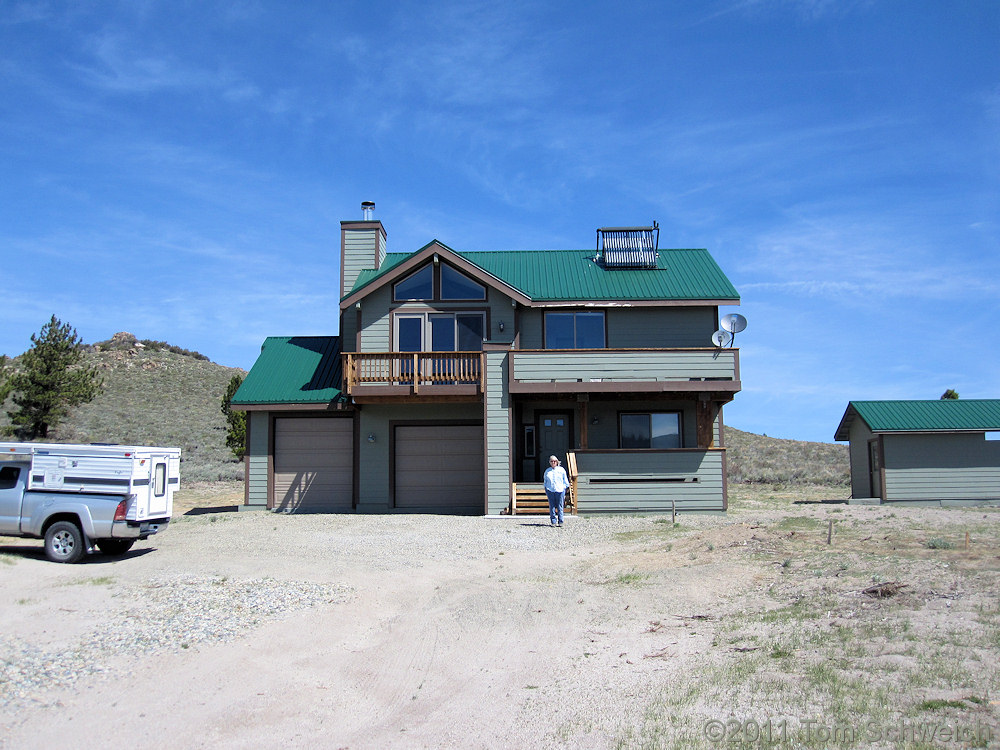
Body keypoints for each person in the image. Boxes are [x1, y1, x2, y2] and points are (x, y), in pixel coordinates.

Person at [543, 455, 569, 527]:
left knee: (560, 506)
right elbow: (545, 481)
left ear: (557, 462)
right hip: (550, 490)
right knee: (552, 506)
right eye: (551, 461)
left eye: (554, 461)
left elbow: (565, 481)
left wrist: (564, 488)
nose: (553, 462)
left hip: (560, 490)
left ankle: (560, 521)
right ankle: (553, 521)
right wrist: (546, 488)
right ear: (549, 462)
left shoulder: (561, 470)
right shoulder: (547, 471)